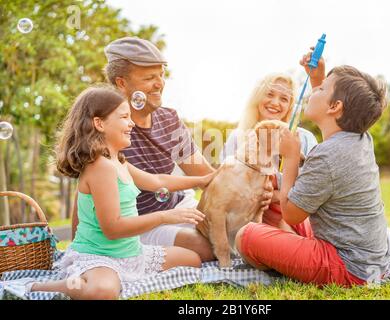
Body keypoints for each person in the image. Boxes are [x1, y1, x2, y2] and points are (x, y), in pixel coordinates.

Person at [0, 86, 214, 300]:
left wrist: (202, 180)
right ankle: (38, 286)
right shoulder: (100, 167)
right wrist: (164, 217)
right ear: (99, 123)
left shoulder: (119, 160)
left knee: (193, 259)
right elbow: (113, 228)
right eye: (124, 117)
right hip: (99, 257)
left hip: (132, 254)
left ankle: (116, 276)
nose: (131, 123)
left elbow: (157, 181)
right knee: (102, 291)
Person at [71, 37, 273, 261]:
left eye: (161, 75)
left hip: (178, 205)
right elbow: (84, 194)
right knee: (208, 248)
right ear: (121, 83)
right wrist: (76, 250)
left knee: (235, 232)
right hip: (140, 221)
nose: (160, 84)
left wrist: (252, 192)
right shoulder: (111, 131)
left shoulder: (169, 119)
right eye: (149, 78)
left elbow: (206, 176)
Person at [234, 52, 390, 287]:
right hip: (371, 261)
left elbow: (292, 214)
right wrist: (319, 78)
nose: (311, 92)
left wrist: (289, 158)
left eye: (319, 90)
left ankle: (286, 257)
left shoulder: (327, 156)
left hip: (350, 270)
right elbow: (334, 119)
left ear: (335, 106)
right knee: (272, 194)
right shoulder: (359, 138)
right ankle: (288, 248)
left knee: (245, 236)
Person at [220, 73, 318, 163]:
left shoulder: (305, 138)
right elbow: (223, 177)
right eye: (269, 94)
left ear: (289, 106)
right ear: (257, 97)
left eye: (284, 99)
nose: (275, 103)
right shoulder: (237, 136)